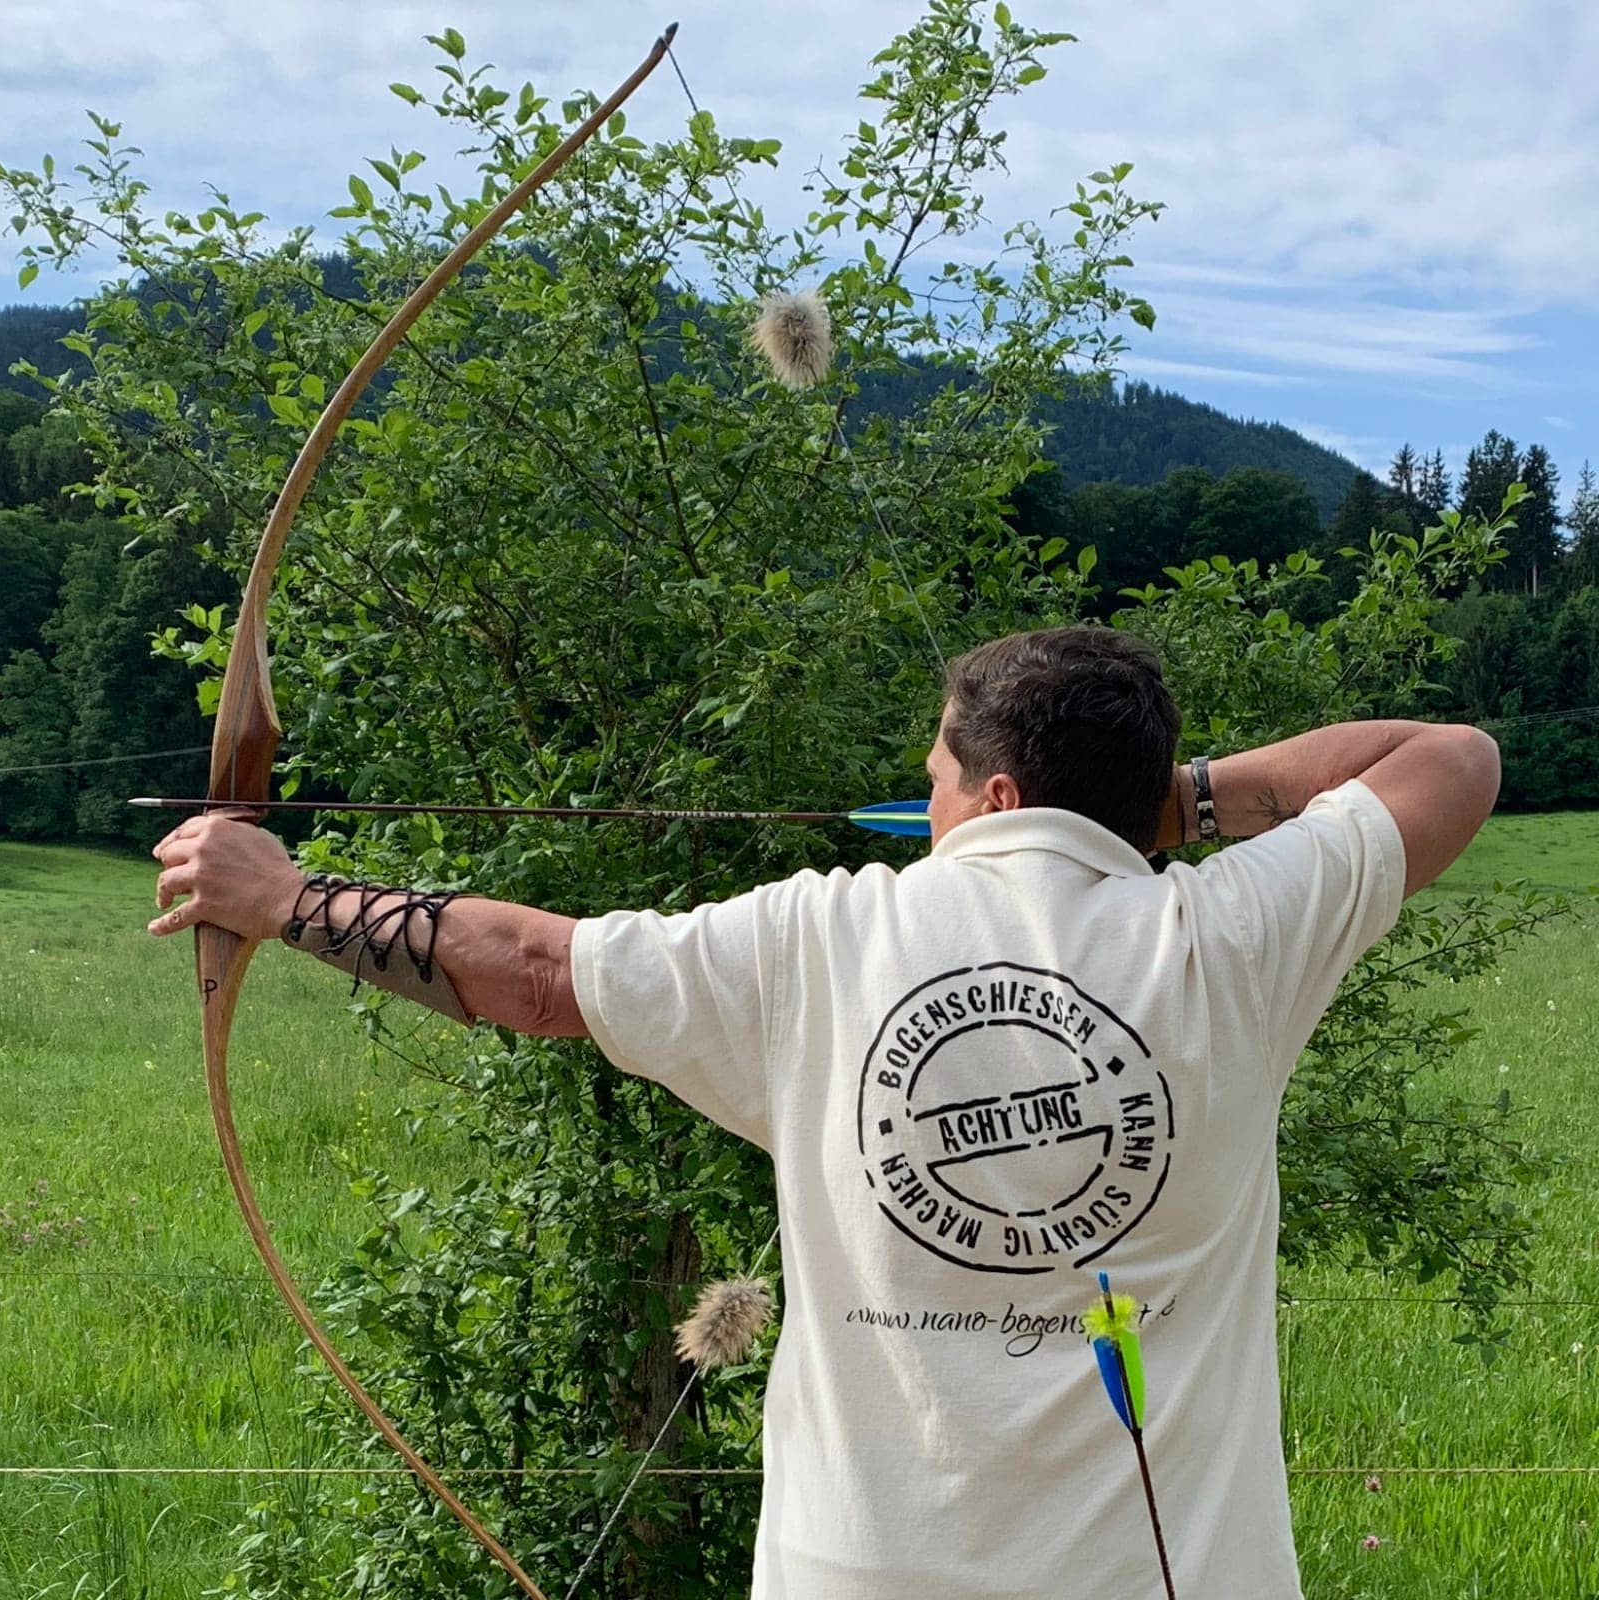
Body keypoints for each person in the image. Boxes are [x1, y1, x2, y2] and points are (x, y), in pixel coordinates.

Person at [149, 624, 1500, 1599]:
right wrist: (1185, 802)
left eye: (934, 780)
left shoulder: (826, 935)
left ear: (997, 795)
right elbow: (1453, 756)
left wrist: (279, 898)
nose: (925, 805)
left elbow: (545, 974)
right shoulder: (1236, 934)